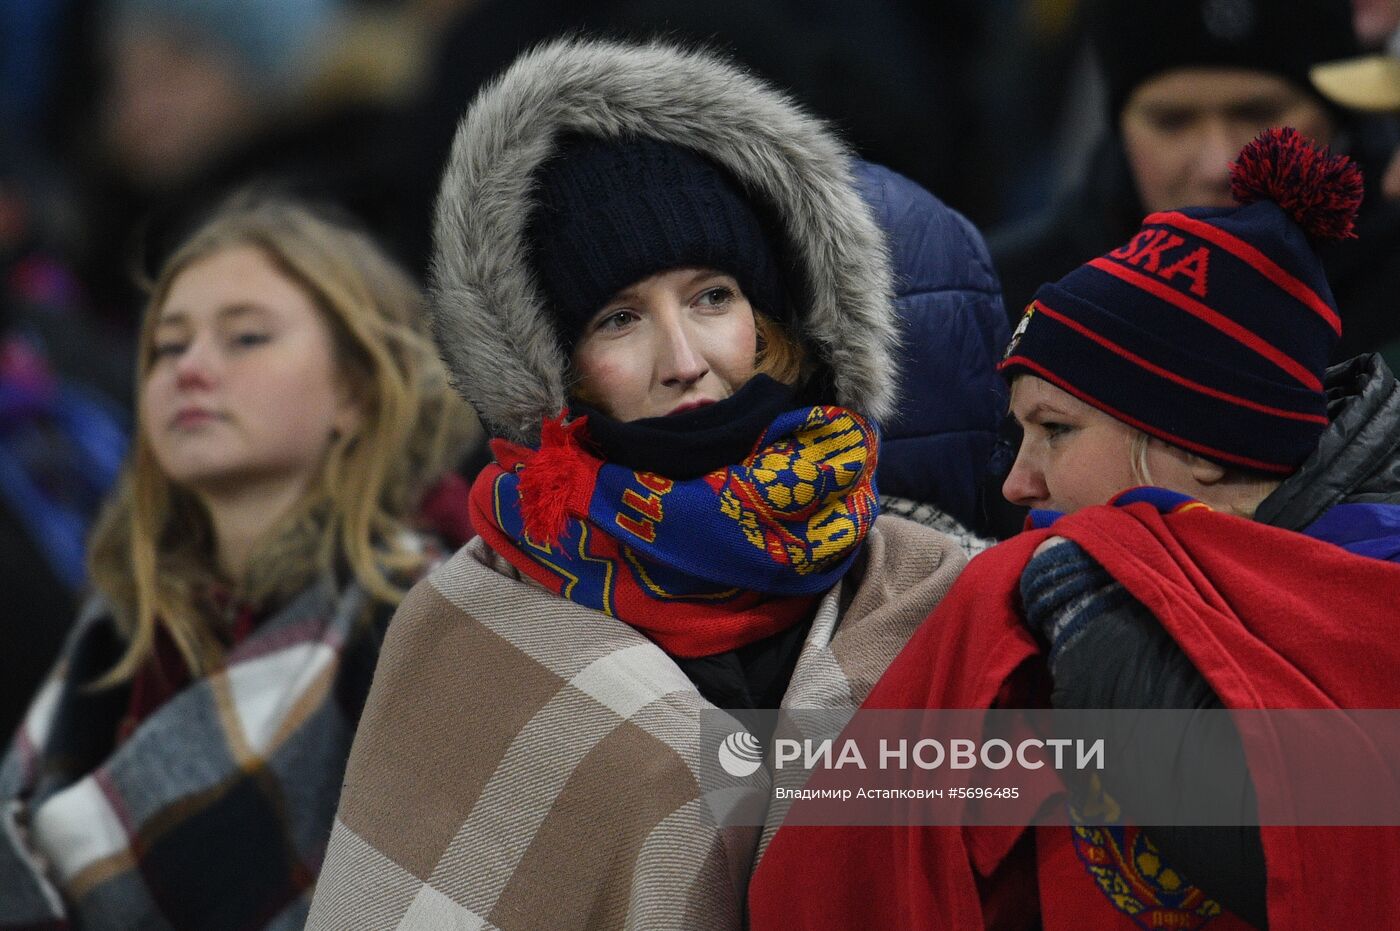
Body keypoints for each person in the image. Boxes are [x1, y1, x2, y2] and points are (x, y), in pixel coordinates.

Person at [305, 37, 986, 929]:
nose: (684, 359)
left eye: (712, 297)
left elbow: (1180, 784)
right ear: (551, 364)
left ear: (771, 319)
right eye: (619, 318)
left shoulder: (930, 584)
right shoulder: (467, 627)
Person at [750, 129, 1400, 929]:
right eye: (1018, 436)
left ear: (1193, 444)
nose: (1019, 483)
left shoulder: (1377, 582)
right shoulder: (1026, 599)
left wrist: (1098, 625)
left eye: (1055, 429)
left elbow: (1331, 857)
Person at [0, 194, 478, 928]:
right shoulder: (117, 630)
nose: (190, 369)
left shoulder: (433, 619)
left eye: (246, 337)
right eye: (166, 345)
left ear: (356, 387)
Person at [990, 0, 1400, 363]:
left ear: (1341, 121)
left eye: (1257, 114)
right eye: (1172, 122)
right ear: (1120, 129)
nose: (1218, 165)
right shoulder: (1005, 303)